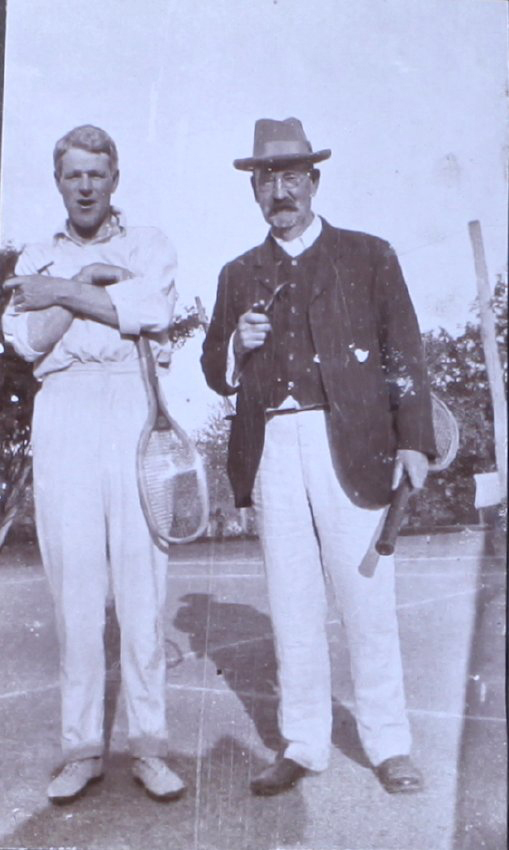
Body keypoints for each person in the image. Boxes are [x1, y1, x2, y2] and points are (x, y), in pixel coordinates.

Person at [201, 117, 436, 796]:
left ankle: (388, 744)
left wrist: (413, 440)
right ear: (253, 191)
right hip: (272, 447)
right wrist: (236, 346)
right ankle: (303, 744)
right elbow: (214, 370)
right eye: (267, 180)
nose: (280, 192)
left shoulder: (369, 255)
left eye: (292, 177)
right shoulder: (236, 274)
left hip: (353, 443)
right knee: (291, 604)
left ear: (314, 181)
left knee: (367, 601)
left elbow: (404, 354)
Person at [2, 125, 186, 803]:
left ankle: (150, 747)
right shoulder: (35, 255)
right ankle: (80, 749)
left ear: (114, 180)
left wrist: (58, 293)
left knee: (141, 586)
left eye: (96, 174)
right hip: (63, 409)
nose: (85, 187)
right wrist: (85, 284)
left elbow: (150, 312)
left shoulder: (149, 244)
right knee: (74, 589)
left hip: (131, 401)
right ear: (59, 181)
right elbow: (29, 341)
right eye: (73, 174)